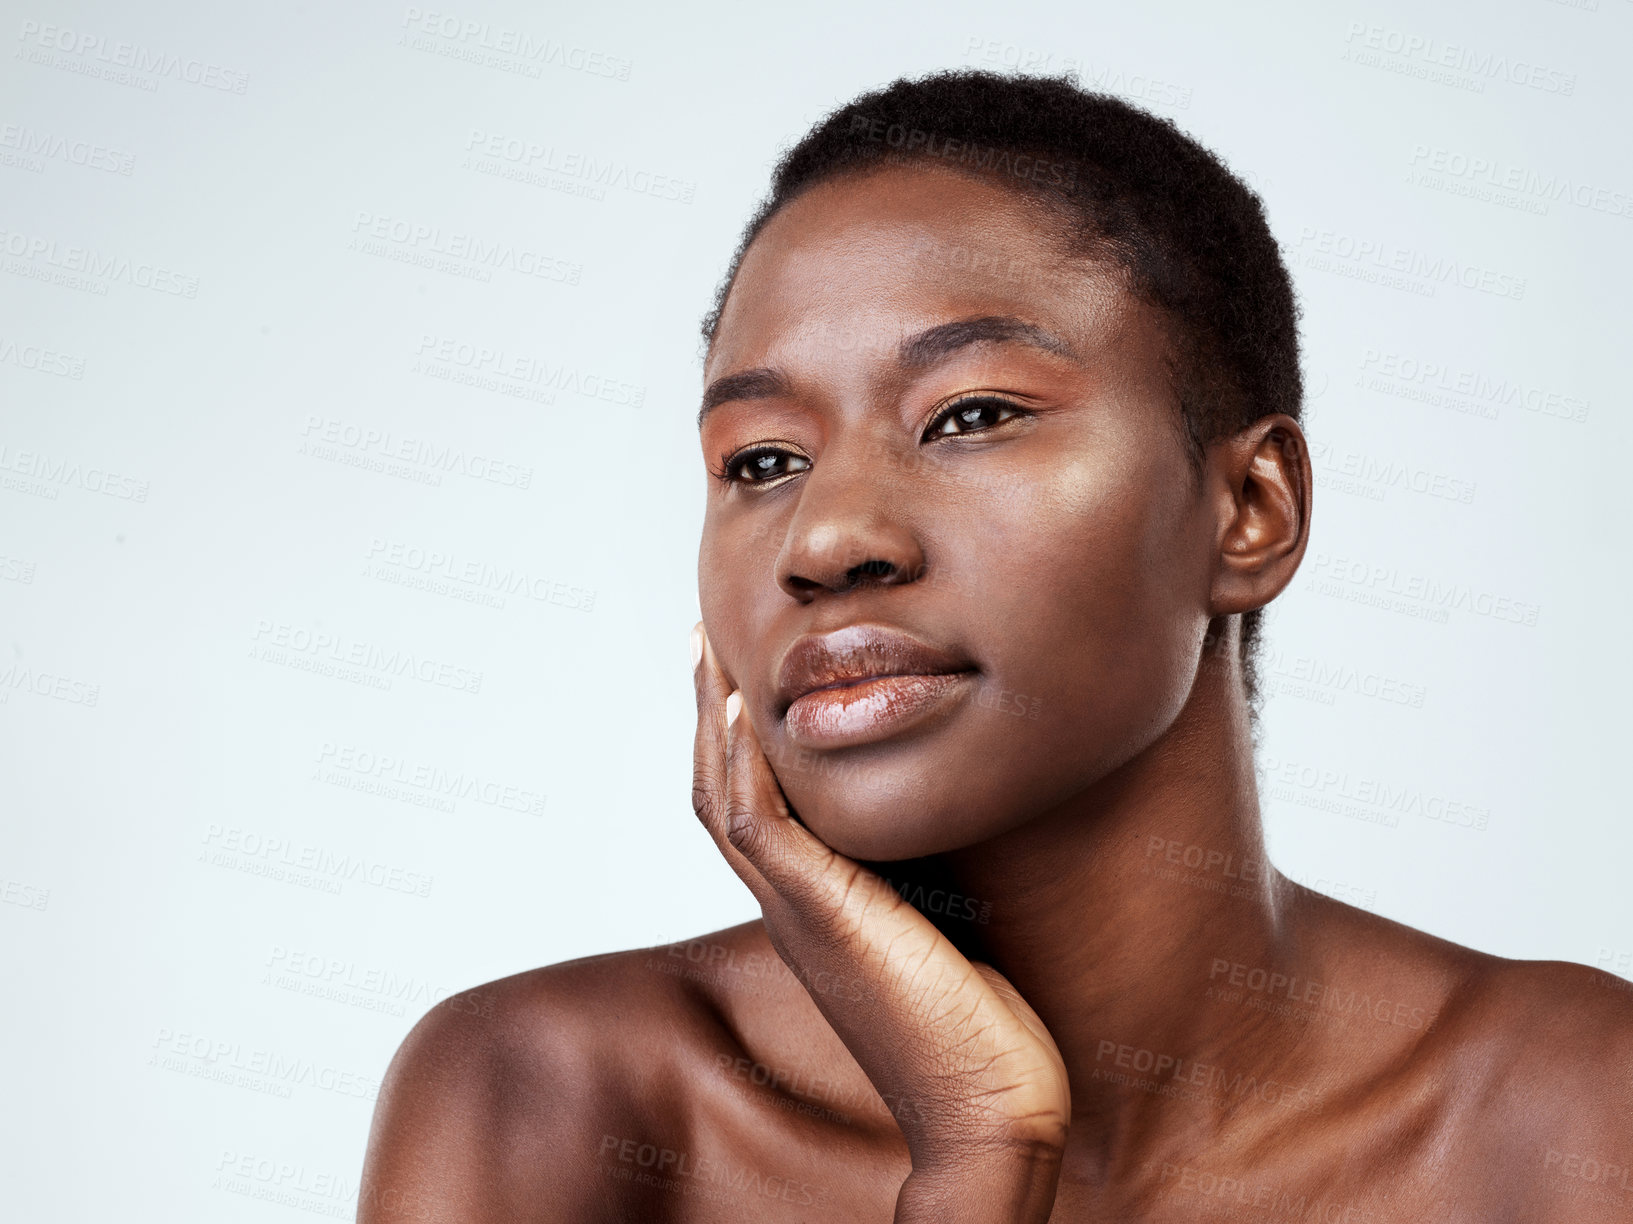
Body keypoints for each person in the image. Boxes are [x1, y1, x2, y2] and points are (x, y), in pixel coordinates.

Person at [357, 69, 1633, 1222]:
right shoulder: (554, 1099)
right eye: (762, 460)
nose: (827, 537)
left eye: (967, 416)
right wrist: (978, 1154)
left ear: (1249, 511)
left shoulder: (1563, 1109)